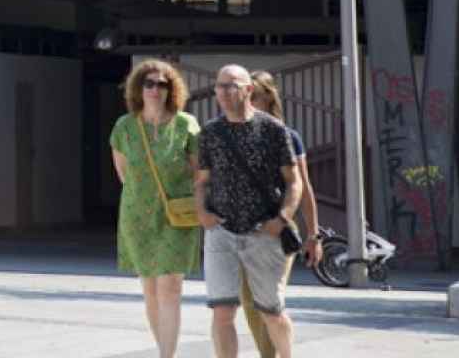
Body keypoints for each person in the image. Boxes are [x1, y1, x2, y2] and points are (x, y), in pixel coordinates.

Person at [196, 65, 302, 358]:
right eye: (219, 86)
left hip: (263, 232)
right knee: (222, 311)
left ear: (248, 90)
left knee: (271, 311)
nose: (224, 92)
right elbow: (201, 181)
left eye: (231, 85)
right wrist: (202, 214)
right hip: (221, 231)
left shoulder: (273, 130)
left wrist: (282, 219)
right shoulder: (210, 132)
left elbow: (295, 182)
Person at [109, 60, 201, 358]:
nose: (155, 89)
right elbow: (123, 174)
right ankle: (164, 351)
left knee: (170, 287)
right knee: (150, 289)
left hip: (177, 215)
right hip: (138, 216)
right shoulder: (124, 127)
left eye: (163, 84)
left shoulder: (186, 124)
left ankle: (167, 356)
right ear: (139, 88)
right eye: (149, 83)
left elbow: (199, 172)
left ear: (171, 89)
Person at [239, 71, 323, 358]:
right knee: (250, 304)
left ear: (268, 99)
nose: (249, 102)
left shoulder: (287, 136)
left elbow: (304, 187)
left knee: (269, 304)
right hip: (241, 233)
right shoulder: (231, 135)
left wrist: (313, 235)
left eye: (255, 96)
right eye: (244, 96)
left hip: (277, 231)